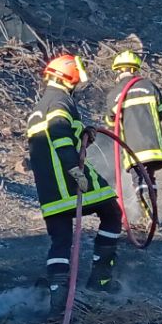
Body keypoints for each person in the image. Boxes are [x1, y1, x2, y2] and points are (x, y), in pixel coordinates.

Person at [27, 53, 123, 294]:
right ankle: (100, 280)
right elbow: (60, 137)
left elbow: (53, 141)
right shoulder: (60, 101)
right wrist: (75, 172)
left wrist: (83, 134)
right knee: (112, 212)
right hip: (69, 181)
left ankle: (57, 295)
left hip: (49, 192)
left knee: (60, 240)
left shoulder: (39, 108)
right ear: (70, 76)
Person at [106, 50, 162, 176]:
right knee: (150, 177)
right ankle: (151, 194)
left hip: (132, 151)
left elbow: (111, 125)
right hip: (155, 149)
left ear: (118, 71)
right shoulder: (149, 86)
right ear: (135, 70)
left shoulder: (114, 94)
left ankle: (144, 195)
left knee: (140, 179)